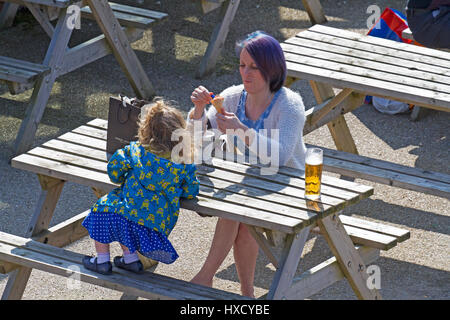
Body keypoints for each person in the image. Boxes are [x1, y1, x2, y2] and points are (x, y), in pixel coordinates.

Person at [188, 31, 307, 297]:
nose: (246, 73)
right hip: (251, 180)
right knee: (239, 212)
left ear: (272, 69)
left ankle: (206, 277)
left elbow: (280, 156)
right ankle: (246, 294)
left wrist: (242, 130)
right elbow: (197, 138)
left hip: (290, 183)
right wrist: (197, 110)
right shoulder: (232, 97)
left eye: (255, 67)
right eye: (242, 65)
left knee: (236, 207)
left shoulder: (291, 105)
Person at [82, 99, 200, 275]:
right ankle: (130, 260)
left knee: (101, 212)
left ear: (145, 129)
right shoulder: (183, 164)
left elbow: (114, 172)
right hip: (154, 225)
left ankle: (102, 260)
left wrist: (126, 176)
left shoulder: (135, 151)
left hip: (127, 214)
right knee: (128, 222)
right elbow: (192, 191)